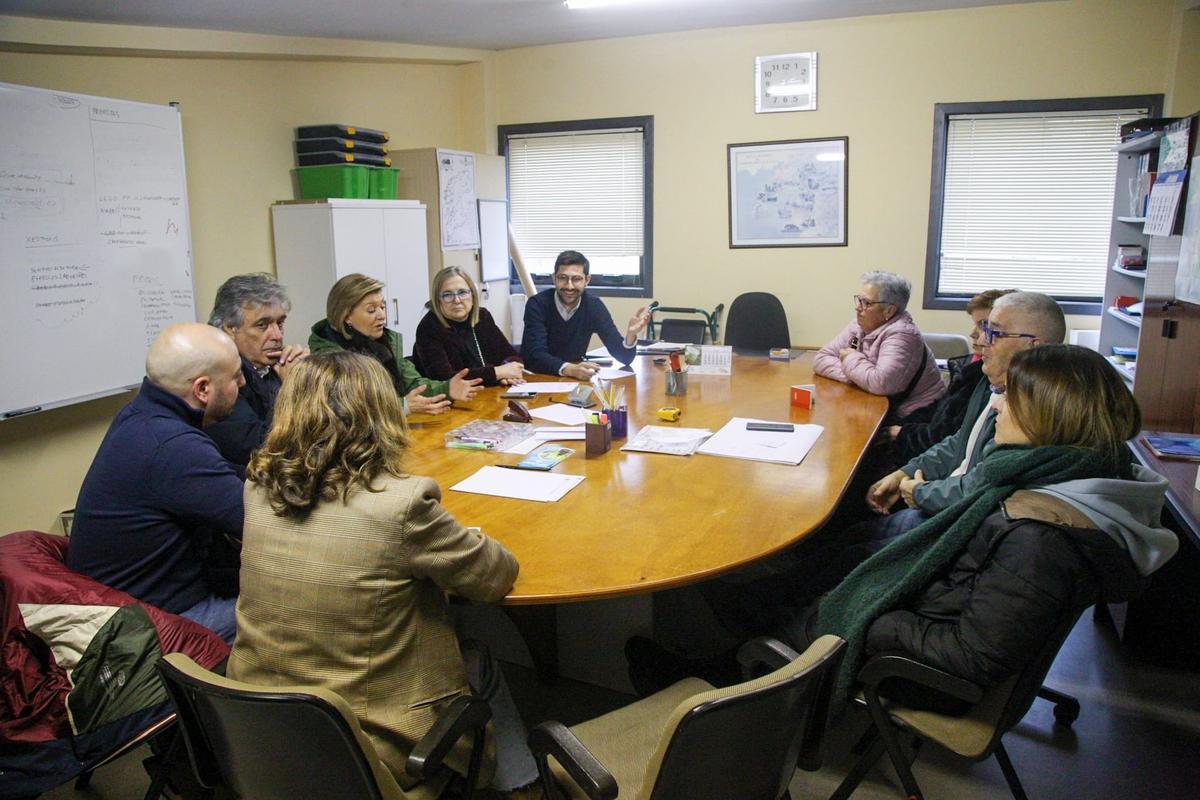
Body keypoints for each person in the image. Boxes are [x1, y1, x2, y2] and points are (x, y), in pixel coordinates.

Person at [631, 345, 1179, 704]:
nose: (998, 408)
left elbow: (972, 658)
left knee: (829, 594)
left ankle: (714, 687)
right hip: (933, 602)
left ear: (1053, 419)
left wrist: (869, 613)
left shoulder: (1039, 534)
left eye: (1012, 399)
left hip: (915, 656)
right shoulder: (1060, 479)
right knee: (838, 570)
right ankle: (744, 631)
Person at [227, 351, 540, 798]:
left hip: (260, 729)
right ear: (380, 417)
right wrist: (465, 534)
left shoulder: (257, 489)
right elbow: (493, 576)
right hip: (363, 747)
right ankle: (523, 789)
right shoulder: (400, 506)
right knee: (477, 651)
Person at [67, 323, 246, 644]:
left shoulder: (140, 415)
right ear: (202, 389)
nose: (243, 382)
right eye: (235, 376)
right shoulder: (174, 445)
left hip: (124, 607)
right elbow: (262, 524)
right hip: (157, 622)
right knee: (292, 608)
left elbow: (221, 476)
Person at [866, 290, 1066, 535]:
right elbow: (959, 442)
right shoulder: (990, 384)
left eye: (994, 332)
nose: (981, 340)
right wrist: (905, 472)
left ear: (1033, 346)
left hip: (959, 521)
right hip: (942, 502)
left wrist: (920, 492)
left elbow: (983, 485)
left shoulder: (1036, 412)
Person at [308, 273, 482, 414]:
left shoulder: (385, 343)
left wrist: (447, 387)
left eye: (382, 307)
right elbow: (349, 408)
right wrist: (402, 406)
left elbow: (414, 384)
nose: (381, 315)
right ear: (346, 316)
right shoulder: (328, 356)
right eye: (371, 310)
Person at [887, 289, 1014, 463]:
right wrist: (903, 425)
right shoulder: (972, 365)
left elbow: (948, 437)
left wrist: (901, 433)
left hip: (928, 457)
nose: (975, 334)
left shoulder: (989, 380)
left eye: (984, 326)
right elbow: (940, 407)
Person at [205, 273, 309, 469]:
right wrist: (293, 388)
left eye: (280, 323)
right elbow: (258, 447)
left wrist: (313, 377)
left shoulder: (273, 365)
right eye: (262, 325)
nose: (277, 336)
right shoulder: (220, 376)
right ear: (229, 329)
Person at [813, 271, 945, 424]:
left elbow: (880, 383)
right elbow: (821, 358)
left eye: (867, 303)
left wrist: (850, 358)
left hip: (913, 420)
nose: (858, 308)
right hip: (875, 405)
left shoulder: (903, 334)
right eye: (859, 300)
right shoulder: (859, 324)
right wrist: (860, 377)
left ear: (889, 311)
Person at [520, 250, 651, 379]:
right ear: (554, 278)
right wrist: (570, 369)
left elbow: (625, 358)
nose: (569, 286)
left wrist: (631, 335)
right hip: (537, 379)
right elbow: (536, 356)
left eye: (576, 279)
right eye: (563, 278)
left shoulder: (593, 306)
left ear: (587, 280)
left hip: (573, 380)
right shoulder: (537, 304)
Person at [414, 266, 525, 387]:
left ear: (472, 294)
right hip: (453, 401)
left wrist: (508, 374)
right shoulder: (429, 327)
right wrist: (497, 373)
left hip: (489, 394)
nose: (456, 300)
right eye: (447, 295)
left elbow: (509, 355)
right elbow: (445, 379)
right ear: (437, 300)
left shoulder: (482, 317)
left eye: (462, 292)